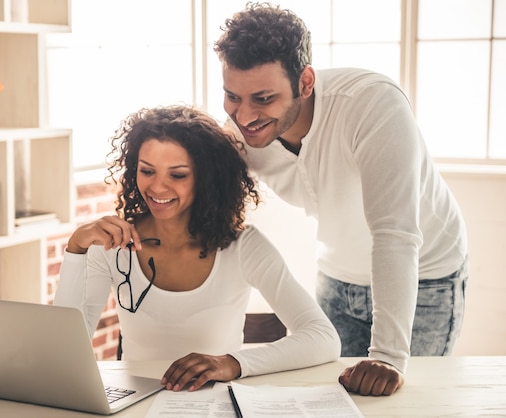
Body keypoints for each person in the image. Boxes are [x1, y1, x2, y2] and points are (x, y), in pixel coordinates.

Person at [214, 2, 469, 397]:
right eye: (233, 96)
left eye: (263, 98)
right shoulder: (238, 132)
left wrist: (387, 356)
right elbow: (188, 184)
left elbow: (394, 233)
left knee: (401, 404)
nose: (244, 116)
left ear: (306, 82)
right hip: (336, 277)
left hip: (426, 278)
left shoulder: (372, 104)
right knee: (332, 403)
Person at [54, 105, 341, 392]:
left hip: (215, 406)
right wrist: (77, 248)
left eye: (177, 175)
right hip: (137, 407)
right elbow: (64, 352)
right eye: (147, 171)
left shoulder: (243, 247)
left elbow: (322, 337)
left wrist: (232, 363)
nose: (157, 187)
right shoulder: (114, 244)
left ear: (205, 178)